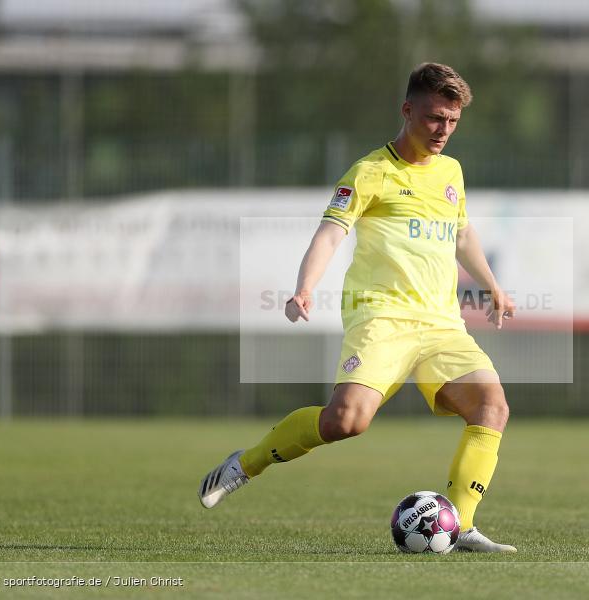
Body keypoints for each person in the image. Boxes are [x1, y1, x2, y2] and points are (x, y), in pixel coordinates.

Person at [199, 62, 517, 552]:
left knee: (492, 407)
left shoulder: (451, 172)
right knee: (344, 422)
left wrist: (492, 284)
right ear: (407, 110)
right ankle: (246, 464)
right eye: (435, 118)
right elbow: (330, 233)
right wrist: (305, 286)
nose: (443, 131)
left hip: (440, 324)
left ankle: (462, 523)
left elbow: (462, 234)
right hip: (382, 319)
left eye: (452, 121)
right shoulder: (370, 172)